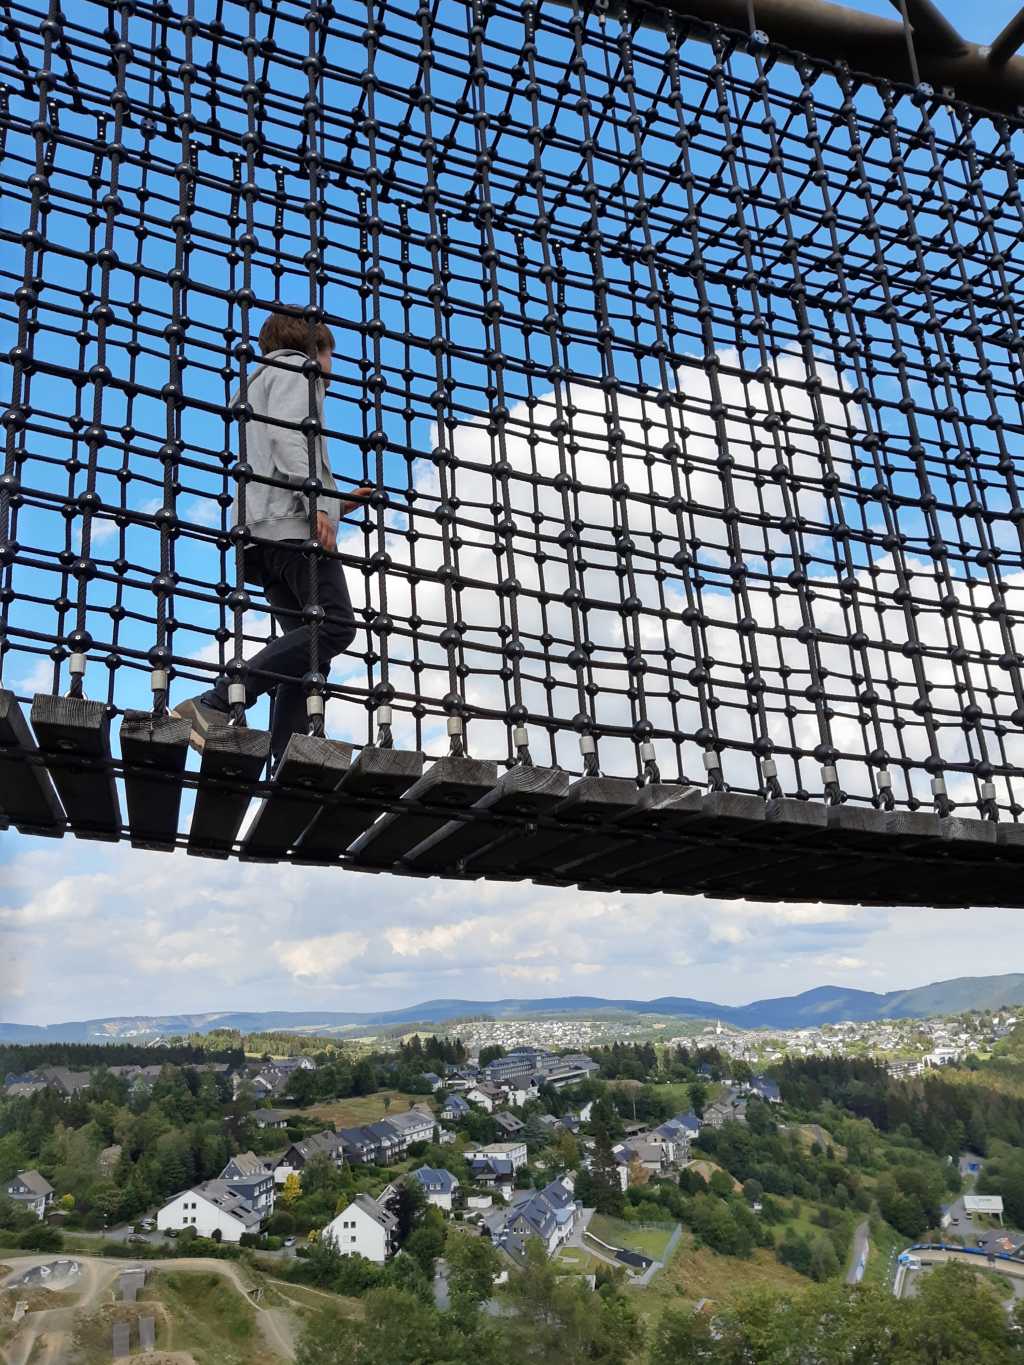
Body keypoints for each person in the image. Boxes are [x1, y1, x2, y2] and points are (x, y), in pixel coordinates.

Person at [173, 306, 372, 761]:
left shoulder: (257, 383)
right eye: (328, 353)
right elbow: (288, 440)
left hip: (261, 536)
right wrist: (319, 501)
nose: (331, 366)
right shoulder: (295, 370)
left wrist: (336, 502)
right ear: (311, 347)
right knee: (336, 626)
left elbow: (269, 461)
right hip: (291, 533)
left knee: (306, 653)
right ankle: (218, 701)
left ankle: (282, 756)